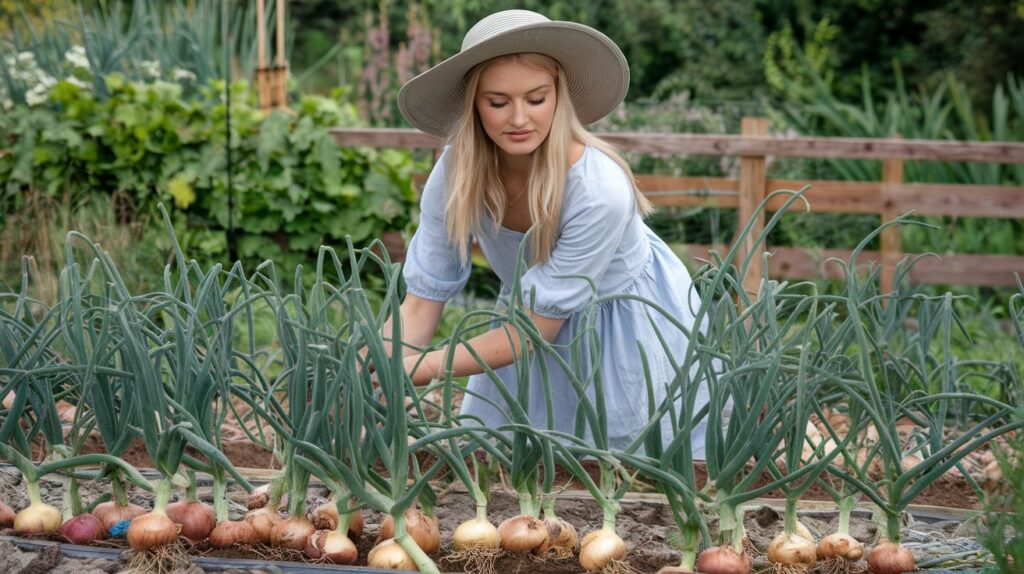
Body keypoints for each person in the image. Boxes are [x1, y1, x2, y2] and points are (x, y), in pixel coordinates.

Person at [393, 9, 710, 455]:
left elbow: (531, 331)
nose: (519, 118)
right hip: (524, 321)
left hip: (621, 330)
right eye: (498, 102)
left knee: (622, 480)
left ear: (560, 96)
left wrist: (415, 369)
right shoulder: (457, 172)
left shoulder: (598, 189)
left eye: (536, 99)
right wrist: (378, 361)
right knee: (505, 469)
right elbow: (423, 299)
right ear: (473, 104)